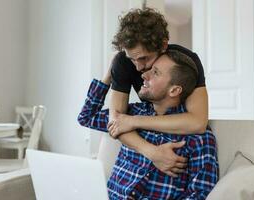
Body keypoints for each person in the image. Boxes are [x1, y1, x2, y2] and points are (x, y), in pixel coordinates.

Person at [78, 50, 218, 199]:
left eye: (155, 72)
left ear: (174, 90)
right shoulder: (131, 114)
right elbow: (87, 116)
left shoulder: (199, 138)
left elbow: (199, 194)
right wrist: (111, 72)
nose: (144, 75)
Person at [108, 8, 209, 177]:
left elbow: (197, 122)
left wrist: (134, 121)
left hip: (180, 139)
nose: (139, 68)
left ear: (163, 45)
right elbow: (116, 123)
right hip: (150, 142)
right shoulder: (122, 62)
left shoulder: (185, 62)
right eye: (131, 59)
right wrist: (153, 153)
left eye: (144, 58)